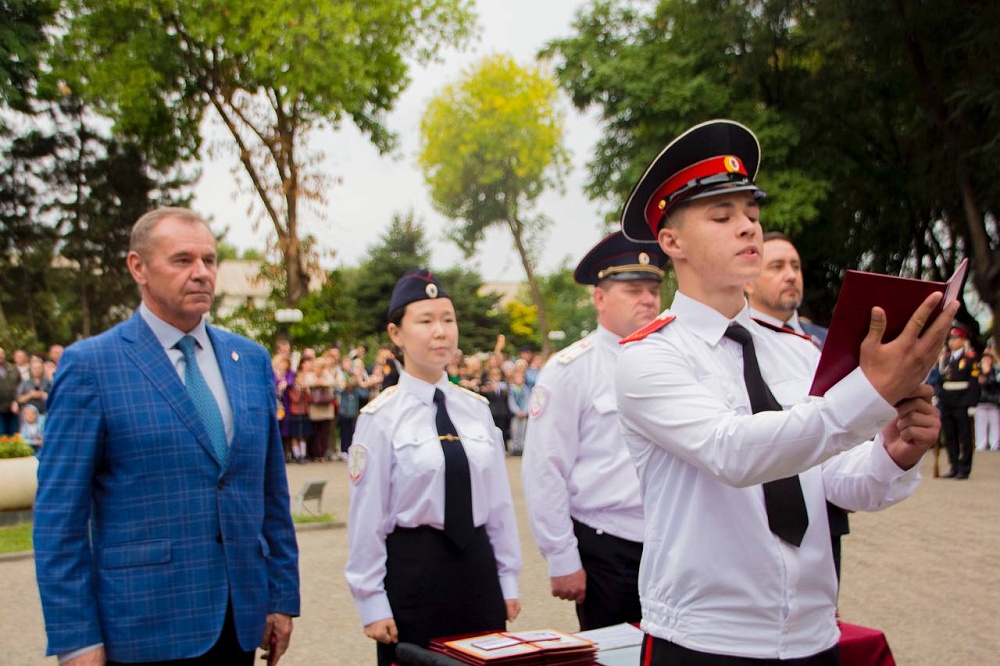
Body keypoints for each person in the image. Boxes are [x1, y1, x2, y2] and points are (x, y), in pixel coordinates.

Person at [616, 119, 954, 664]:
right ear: (671, 242)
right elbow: (734, 452)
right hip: (706, 640)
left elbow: (835, 481)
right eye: (722, 216)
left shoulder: (795, 348)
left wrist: (894, 453)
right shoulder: (649, 356)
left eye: (752, 214)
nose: (748, 228)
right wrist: (870, 392)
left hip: (813, 634)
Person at [33, 207, 300, 666]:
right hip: (143, 626)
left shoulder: (250, 360)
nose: (202, 273)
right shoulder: (92, 366)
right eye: (182, 260)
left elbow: (270, 492)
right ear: (138, 267)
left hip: (240, 622)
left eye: (209, 260)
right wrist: (77, 639)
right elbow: (60, 519)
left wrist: (280, 596)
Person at [345, 269, 521, 666]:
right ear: (396, 334)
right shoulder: (380, 418)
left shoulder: (475, 410)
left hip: (477, 570)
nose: (440, 332)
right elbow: (367, 516)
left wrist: (507, 579)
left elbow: (498, 506)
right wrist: (371, 601)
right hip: (414, 573)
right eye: (425, 321)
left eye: (448, 319)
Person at [521, 231, 666, 631]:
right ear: (599, 298)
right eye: (633, 290)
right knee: (616, 654)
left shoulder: (675, 360)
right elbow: (544, 468)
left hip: (672, 539)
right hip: (609, 546)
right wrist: (561, 557)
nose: (648, 299)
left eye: (654, 290)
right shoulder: (570, 370)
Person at [745, 231, 850, 582]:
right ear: (748, 281)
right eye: (776, 267)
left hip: (826, 508)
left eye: (795, 266)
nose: (790, 275)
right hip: (765, 511)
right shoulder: (737, 341)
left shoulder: (823, 341)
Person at [938, 325, 979, 478]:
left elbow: (974, 384)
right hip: (947, 402)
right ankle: (954, 466)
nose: (951, 342)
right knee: (950, 436)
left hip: (962, 402)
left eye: (955, 339)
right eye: (950, 339)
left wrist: (972, 404)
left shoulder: (969, 358)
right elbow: (941, 380)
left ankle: (965, 468)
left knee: (964, 437)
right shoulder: (945, 359)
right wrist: (938, 396)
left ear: (963, 340)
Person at [975, 349, 1000, 451]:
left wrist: (989, 378)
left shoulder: (995, 371)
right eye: (985, 358)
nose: (987, 361)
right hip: (980, 402)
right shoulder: (976, 371)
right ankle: (980, 445)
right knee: (980, 425)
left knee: (995, 424)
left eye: (989, 359)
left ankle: (995, 445)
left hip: (993, 402)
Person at [0, 347, 20, 435]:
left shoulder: (13, 369)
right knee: (2, 435)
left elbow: (20, 386)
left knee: (14, 435)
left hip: (13, 407)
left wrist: (16, 401)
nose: (0, 356)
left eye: (2, 353)